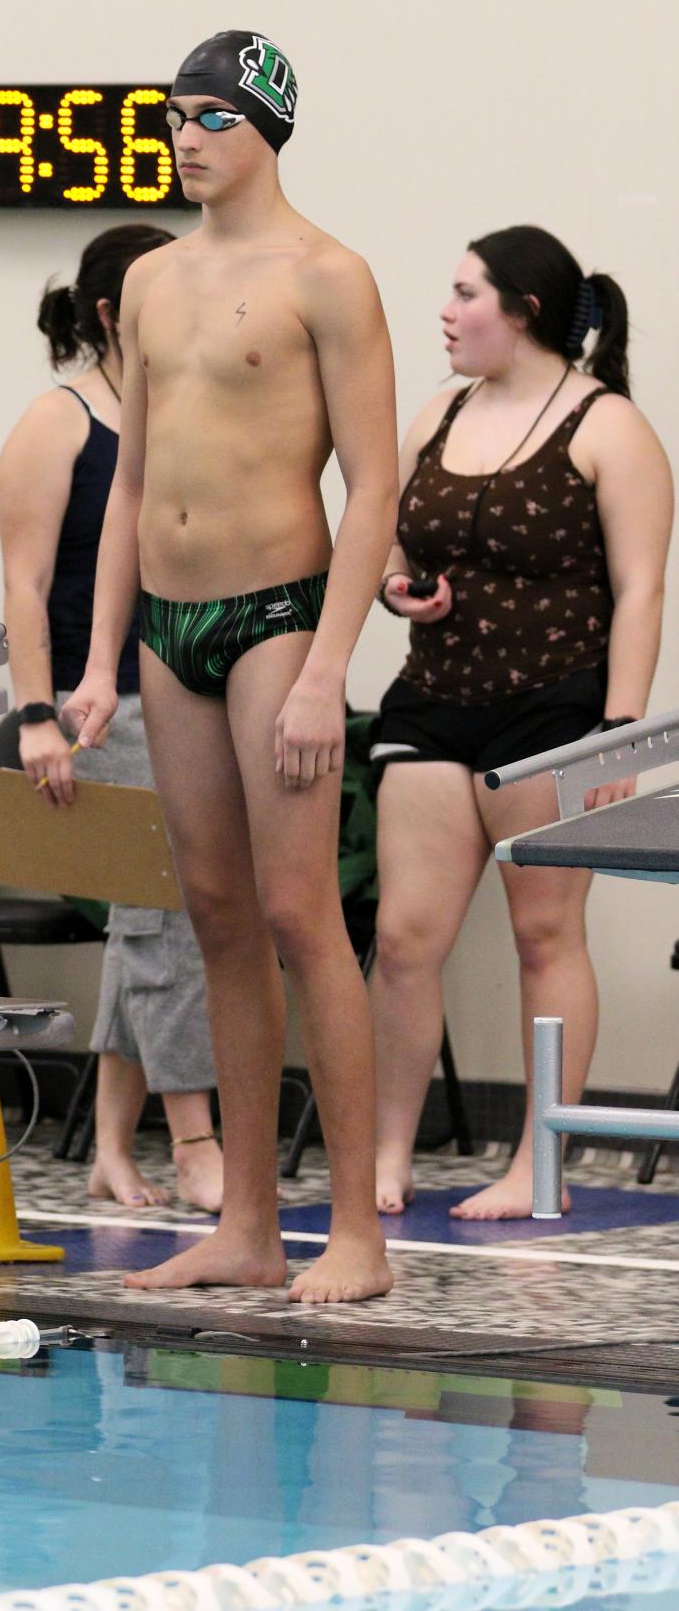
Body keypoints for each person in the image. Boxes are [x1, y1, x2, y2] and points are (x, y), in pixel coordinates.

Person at [65, 29, 398, 1305]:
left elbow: (371, 489)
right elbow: (131, 484)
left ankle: (354, 1237)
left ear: (264, 128)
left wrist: (325, 668)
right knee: (211, 919)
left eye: (205, 117)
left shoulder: (329, 276)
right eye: (170, 120)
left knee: (297, 914)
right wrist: (98, 662)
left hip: (275, 620)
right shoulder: (149, 280)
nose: (181, 139)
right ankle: (248, 1227)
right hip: (166, 625)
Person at [370, 226, 671, 1220]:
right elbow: (383, 542)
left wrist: (618, 734)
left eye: (464, 294)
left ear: (522, 313)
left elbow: (636, 591)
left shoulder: (605, 426)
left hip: (551, 709)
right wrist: (396, 590)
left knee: (544, 935)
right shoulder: (438, 414)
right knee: (403, 937)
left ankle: (529, 1165)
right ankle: (384, 1153)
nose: (445, 313)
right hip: (433, 700)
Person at [0, 223, 223, 1212]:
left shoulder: (189, 412)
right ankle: (196, 1139)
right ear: (109, 313)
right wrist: (35, 715)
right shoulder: (59, 422)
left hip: (190, 690)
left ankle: (108, 1148)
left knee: (150, 926)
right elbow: (23, 582)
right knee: (164, 921)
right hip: (101, 706)